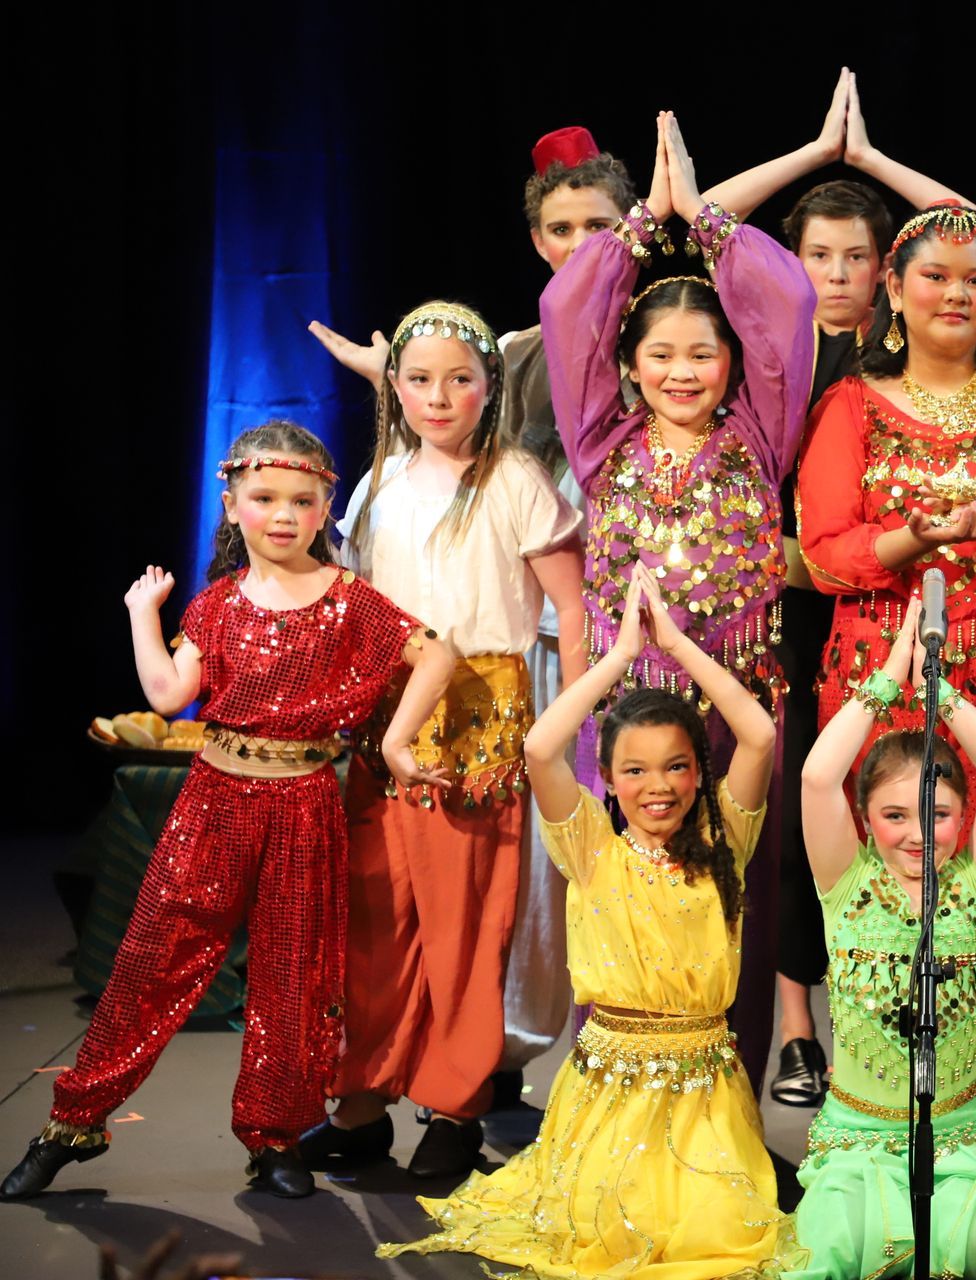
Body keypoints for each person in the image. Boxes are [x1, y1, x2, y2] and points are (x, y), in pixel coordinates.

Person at [1, 423, 449, 1201]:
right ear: (233, 505)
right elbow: (170, 696)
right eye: (266, 498)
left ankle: (274, 1137)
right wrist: (144, 612)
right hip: (215, 802)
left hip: (305, 803)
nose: (283, 515)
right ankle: (73, 1123)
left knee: (291, 977)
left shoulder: (350, 602)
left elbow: (436, 652)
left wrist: (401, 745)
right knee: (151, 958)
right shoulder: (215, 606)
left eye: (301, 501)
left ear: (323, 508)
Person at [306, 123, 634, 1094]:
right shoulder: (503, 373)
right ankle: (403, 1076)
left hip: (560, 662)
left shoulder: (668, 334)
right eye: (561, 226)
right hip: (443, 682)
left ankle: (502, 1072)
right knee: (415, 894)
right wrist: (404, 381)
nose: (579, 243)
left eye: (600, 225)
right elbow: (452, 399)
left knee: (525, 888)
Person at [379, 564, 790, 1277]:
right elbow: (540, 747)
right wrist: (621, 658)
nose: (657, 787)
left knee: (718, 1241)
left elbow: (756, 733)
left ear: (699, 773)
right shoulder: (590, 847)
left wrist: (679, 647)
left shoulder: (725, 837)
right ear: (607, 776)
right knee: (612, 1238)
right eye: (634, 771)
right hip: (611, 1098)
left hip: (706, 1099)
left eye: (676, 767)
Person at [699, 68, 970, 1107]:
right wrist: (819, 156)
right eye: (820, 253)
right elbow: (707, 217)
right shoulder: (767, 345)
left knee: (890, 806)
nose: (842, 272)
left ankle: (899, 1013)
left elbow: (967, 226)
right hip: (782, 613)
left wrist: (872, 164)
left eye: (861, 255)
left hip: (888, 597)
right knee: (794, 808)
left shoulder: (920, 347)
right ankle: (799, 1027)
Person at [541, 110, 818, 1094]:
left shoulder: (758, 438)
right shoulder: (600, 444)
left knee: (731, 919)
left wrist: (701, 220)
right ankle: (615, 1126)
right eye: (661, 355)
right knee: (617, 922)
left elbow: (786, 305)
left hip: (735, 718)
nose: (683, 371)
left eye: (704, 353)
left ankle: (726, 1125)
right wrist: (636, 228)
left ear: (734, 367)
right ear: (628, 367)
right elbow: (571, 312)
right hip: (624, 721)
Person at [796, 200, 976, 1109]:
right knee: (883, 891)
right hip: (878, 678)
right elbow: (820, 552)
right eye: (935, 274)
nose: (956, 293)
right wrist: (910, 540)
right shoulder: (848, 405)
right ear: (891, 287)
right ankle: (880, 1097)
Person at [308, 300, 586, 1179]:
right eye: (420, 379)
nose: (439, 397)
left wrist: (567, 727)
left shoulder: (515, 480)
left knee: (464, 923)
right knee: (377, 921)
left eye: (459, 379)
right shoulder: (381, 480)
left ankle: (455, 1108)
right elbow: (351, 600)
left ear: (489, 387)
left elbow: (574, 611)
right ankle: (360, 1107)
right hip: (387, 713)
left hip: (480, 715)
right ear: (394, 386)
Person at [787, 594, 976, 1278]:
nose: (916, 833)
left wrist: (939, 692)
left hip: (963, 1145)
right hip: (859, 1146)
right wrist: (888, 676)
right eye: (893, 815)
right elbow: (818, 774)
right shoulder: (843, 884)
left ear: (963, 815)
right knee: (830, 1254)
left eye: (936, 813)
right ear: (865, 818)